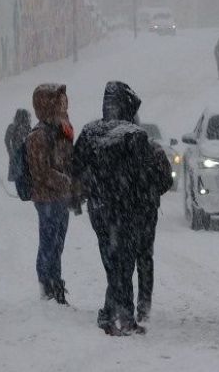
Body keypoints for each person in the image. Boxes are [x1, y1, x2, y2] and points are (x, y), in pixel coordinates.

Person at [74, 81, 172, 336]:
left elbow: (76, 169)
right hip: (126, 209)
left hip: (100, 208)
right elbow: (144, 175)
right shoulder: (134, 136)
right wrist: (144, 196)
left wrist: (88, 191)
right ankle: (123, 317)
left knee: (111, 261)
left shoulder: (89, 132)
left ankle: (110, 313)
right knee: (124, 263)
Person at [28, 84, 79, 305]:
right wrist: (67, 181)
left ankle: (56, 284)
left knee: (58, 243)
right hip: (47, 197)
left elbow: (68, 160)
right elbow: (41, 172)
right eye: (59, 102)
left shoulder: (62, 129)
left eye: (64, 101)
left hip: (60, 197)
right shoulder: (39, 135)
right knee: (48, 242)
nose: (64, 105)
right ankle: (47, 287)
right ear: (47, 105)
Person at [4, 109, 32, 181]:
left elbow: (7, 140)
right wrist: (10, 151)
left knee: (20, 174)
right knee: (16, 174)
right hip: (18, 154)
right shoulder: (13, 127)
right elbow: (7, 140)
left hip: (23, 155)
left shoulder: (28, 128)